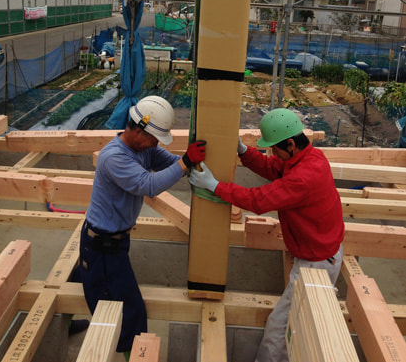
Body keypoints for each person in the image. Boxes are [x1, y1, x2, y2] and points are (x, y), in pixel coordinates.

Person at [189, 108, 344, 362]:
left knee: (278, 330)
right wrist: (243, 151)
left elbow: (259, 200)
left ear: (290, 144)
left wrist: (214, 186)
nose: (272, 153)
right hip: (320, 252)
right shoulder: (308, 157)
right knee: (292, 326)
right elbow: (273, 167)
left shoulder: (304, 177)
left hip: (316, 265)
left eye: (274, 148)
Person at [79, 95, 206, 361]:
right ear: (138, 131)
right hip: (102, 245)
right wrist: (185, 162)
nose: (156, 144)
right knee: (131, 310)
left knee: (92, 285)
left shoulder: (144, 148)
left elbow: (169, 163)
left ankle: (68, 319)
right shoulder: (113, 157)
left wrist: (191, 165)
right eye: (154, 138)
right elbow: (148, 185)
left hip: (114, 241)